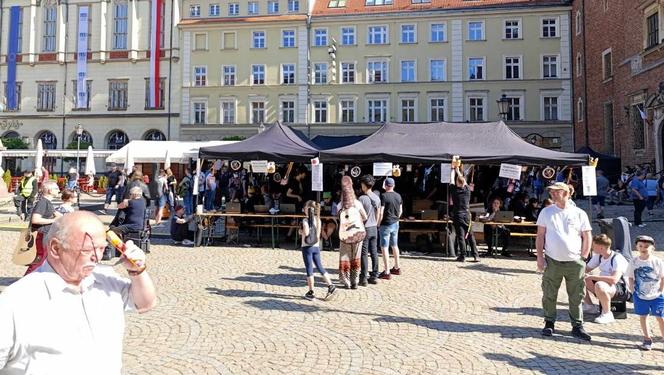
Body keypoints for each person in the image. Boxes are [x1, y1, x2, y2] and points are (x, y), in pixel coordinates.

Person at [0, 211, 156, 374]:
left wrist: (137, 272)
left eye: (101, 248)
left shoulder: (107, 280)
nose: (96, 257)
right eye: (87, 250)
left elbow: (145, 304)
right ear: (55, 248)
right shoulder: (16, 301)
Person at [536, 182, 593, 341]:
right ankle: (549, 322)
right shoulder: (546, 212)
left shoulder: (579, 213)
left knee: (576, 295)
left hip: (575, 261)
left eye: (556, 192)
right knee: (549, 293)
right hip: (553, 260)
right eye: (551, 192)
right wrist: (540, 257)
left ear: (567, 193)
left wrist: (584, 256)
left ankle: (577, 325)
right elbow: (540, 235)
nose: (553, 194)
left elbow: (587, 235)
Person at [626, 235, 664, 351]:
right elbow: (630, 277)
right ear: (636, 247)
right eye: (641, 246)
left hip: (656, 295)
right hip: (640, 295)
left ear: (652, 247)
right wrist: (632, 290)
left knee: (661, 318)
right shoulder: (634, 261)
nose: (643, 248)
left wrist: (661, 289)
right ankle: (647, 339)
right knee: (643, 317)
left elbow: (663, 276)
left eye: (646, 246)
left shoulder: (657, 261)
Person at [582, 234, 629, 324]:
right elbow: (586, 269)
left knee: (599, 284)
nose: (591, 247)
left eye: (593, 245)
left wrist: (592, 277)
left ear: (601, 247)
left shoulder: (617, 258)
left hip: (620, 287)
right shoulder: (599, 256)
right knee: (579, 278)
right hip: (604, 285)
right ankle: (589, 306)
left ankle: (607, 313)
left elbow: (614, 279)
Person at [298, 200, 337, 300]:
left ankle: (311, 292)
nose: (304, 209)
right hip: (316, 246)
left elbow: (306, 234)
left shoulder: (305, 220)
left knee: (309, 269)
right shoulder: (318, 220)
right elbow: (318, 234)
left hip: (307, 247)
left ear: (308, 209)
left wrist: (300, 231)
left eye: (305, 207)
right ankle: (331, 286)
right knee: (320, 267)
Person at [26, 181, 63, 275]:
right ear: (50, 191)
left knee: (44, 260)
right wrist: (53, 221)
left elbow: (57, 215)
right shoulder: (43, 203)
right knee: (39, 260)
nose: (58, 190)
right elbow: (35, 219)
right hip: (42, 235)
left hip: (46, 234)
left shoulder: (47, 202)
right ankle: (26, 280)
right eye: (56, 188)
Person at [450, 166, 480, 262]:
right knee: (471, 235)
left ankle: (463, 256)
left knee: (461, 236)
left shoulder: (455, 191)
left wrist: (452, 170)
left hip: (458, 215)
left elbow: (451, 180)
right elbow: (464, 181)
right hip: (467, 215)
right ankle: (476, 255)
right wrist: (458, 171)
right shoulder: (467, 190)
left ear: (457, 183)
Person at [378, 177, 403, 278]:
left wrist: (378, 223)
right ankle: (397, 267)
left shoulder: (383, 196)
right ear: (393, 185)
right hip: (395, 223)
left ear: (385, 185)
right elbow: (401, 210)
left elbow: (381, 211)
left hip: (386, 224)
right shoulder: (398, 195)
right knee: (394, 245)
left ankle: (387, 271)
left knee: (384, 247)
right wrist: (397, 218)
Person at [359, 175, 381, 286]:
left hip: (365, 227)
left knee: (364, 253)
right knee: (374, 252)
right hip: (374, 227)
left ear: (363, 185)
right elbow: (379, 213)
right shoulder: (377, 198)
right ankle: (374, 275)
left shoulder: (362, 199)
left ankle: (363, 278)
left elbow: (359, 215)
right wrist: (376, 224)